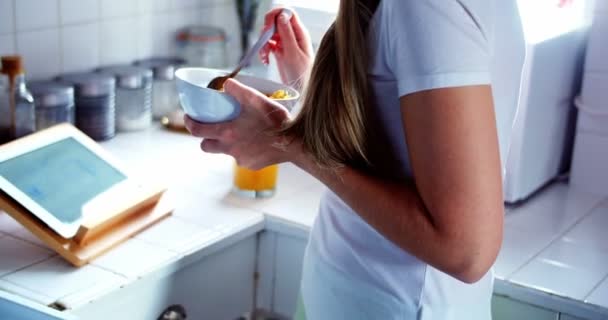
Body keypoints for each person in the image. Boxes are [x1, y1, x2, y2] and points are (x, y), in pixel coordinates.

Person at [185, 0, 525, 318]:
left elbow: (464, 250)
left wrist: (287, 142)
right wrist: (308, 83)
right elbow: (396, 137)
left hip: (393, 304)